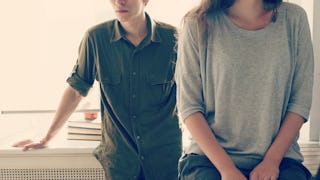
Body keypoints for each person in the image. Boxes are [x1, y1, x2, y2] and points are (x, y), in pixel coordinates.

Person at [12, 0, 182, 179]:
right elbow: (76, 90)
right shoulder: (96, 38)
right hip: (120, 162)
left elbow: (192, 92)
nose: (119, 2)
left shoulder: (173, 38)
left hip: (165, 160)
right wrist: (47, 137)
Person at [175, 0, 314, 179]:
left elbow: (300, 101)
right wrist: (227, 170)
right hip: (209, 161)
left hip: (281, 160)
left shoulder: (295, 19)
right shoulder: (196, 23)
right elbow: (189, 107)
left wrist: (272, 161)